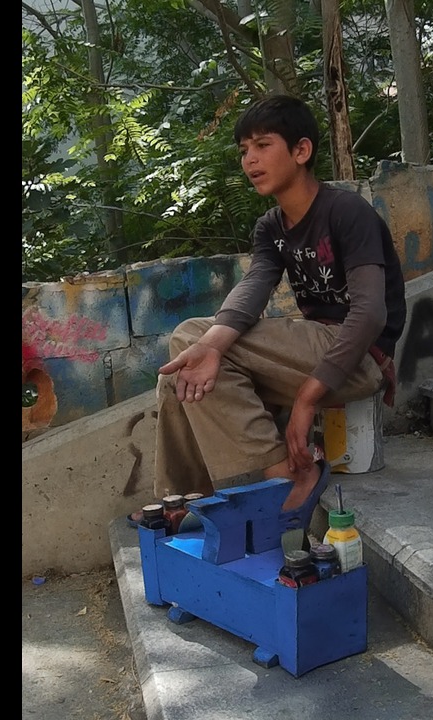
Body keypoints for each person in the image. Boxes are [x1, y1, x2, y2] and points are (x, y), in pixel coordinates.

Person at [128, 94, 406, 531]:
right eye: (243, 150)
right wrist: (211, 346)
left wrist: (306, 401)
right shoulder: (271, 227)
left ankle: (290, 471)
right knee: (180, 369)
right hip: (309, 348)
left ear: (301, 150)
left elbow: (370, 314)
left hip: (360, 357)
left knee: (189, 338)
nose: (250, 160)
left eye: (262, 145)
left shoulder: (346, 212)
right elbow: (254, 287)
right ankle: (187, 496)